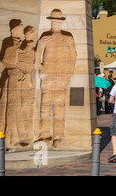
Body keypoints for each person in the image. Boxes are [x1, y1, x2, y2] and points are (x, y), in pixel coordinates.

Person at [36, 9, 77, 148]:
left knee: (59, 108)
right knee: (45, 107)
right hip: (47, 76)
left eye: (58, 22)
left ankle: (58, 136)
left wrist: (69, 74)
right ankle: (44, 135)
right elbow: (37, 55)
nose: (56, 25)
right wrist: (41, 70)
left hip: (61, 76)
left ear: (61, 23)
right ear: (51, 23)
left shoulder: (68, 37)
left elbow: (73, 56)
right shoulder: (45, 36)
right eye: (54, 22)